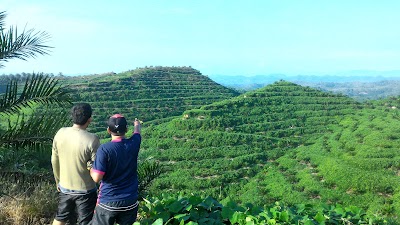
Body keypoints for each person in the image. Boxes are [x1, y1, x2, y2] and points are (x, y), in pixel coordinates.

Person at [51, 103, 100, 225]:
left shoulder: (60, 133)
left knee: (61, 217)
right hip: (86, 190)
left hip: (65, 187)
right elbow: (96, 168)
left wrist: (58, 181)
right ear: (89, 119)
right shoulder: (92, 139)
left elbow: (54, 161)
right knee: (85, 221)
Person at [90, 114, 142, 225]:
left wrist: (90, 168)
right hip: (130, 201)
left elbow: (96, 177)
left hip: (108, 201)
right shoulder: (134, 143)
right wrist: (136, 124)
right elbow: (137, 133)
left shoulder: (104, 149)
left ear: (108, 130)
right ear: (127, 129)